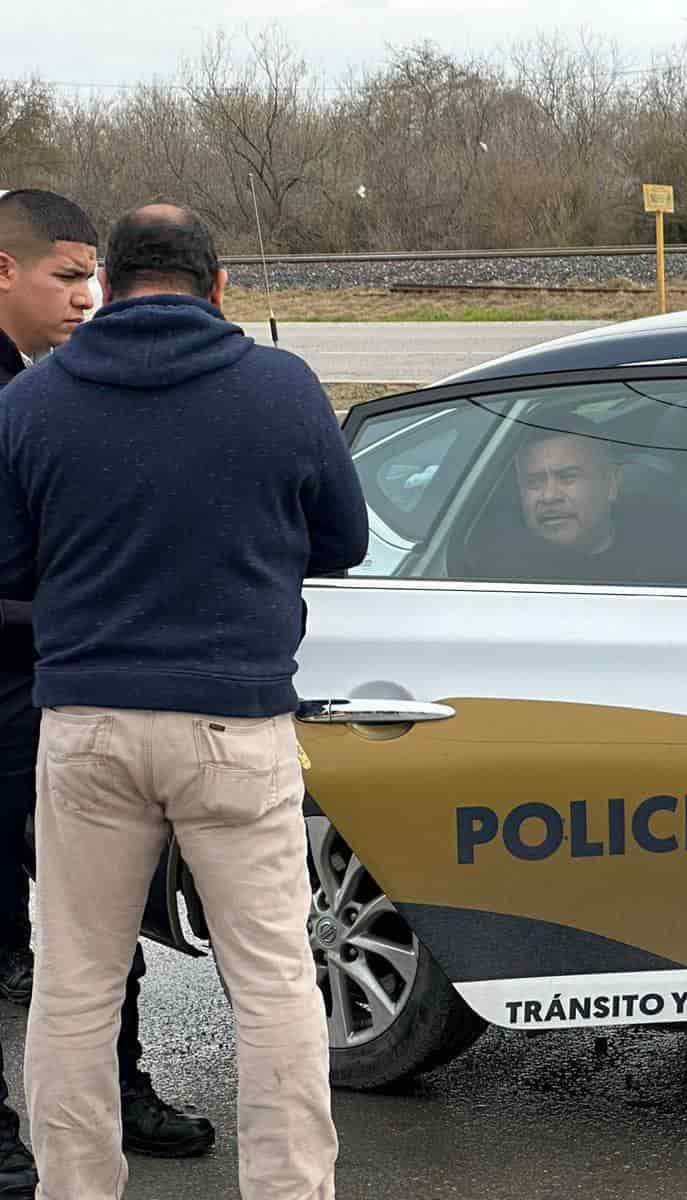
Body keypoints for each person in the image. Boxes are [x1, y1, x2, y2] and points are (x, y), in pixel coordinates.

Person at [0, 203, 366, 1199]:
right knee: (273, 979)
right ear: (219, 288)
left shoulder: (34, 403)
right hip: (233, 723)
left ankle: (77, 1187)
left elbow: (9, 563)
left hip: (85, 726)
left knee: (74, 984)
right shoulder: (281, 389)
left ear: (107, 286)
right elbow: (344, 541)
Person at [0, 190, 217, 1198]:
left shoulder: (49, 383)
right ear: (6, 270)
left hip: (60, 692)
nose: (88, 297)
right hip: (18, 687)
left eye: (94, 275)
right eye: (67, 276)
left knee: (99, 914)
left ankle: (121, 1090)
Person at [469, 418, 687, 585]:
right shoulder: (500, 577)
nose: (549, 496)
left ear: (611, 483)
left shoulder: (676, 540)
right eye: (534, 482)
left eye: (567, 477)